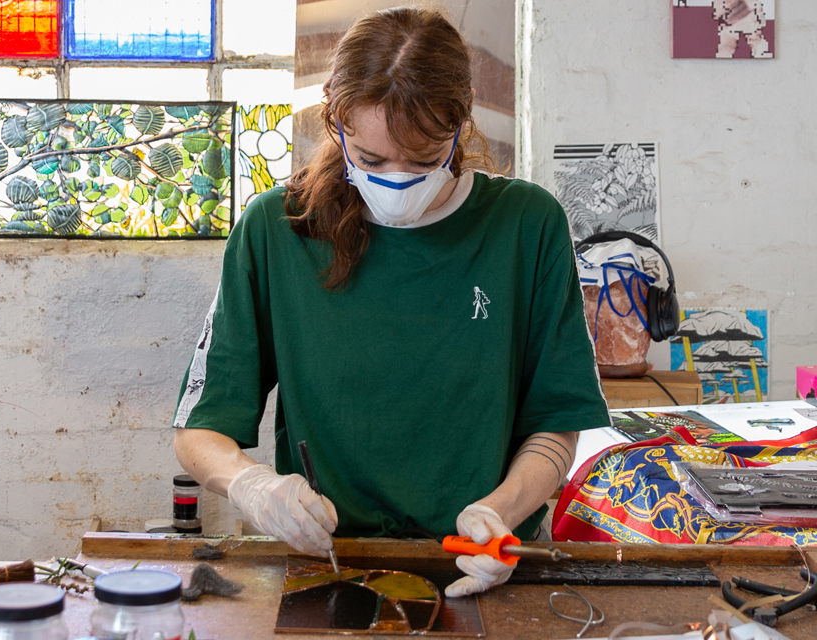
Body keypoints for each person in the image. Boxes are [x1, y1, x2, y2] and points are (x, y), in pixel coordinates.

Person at [172, 6, 609, 598]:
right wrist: (253, 486)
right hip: (329, 563)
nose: (397, 182)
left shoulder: (526, 226)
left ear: (461, 122)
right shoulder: (278, 229)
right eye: (372, 160)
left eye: (425, 160)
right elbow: (200, 431)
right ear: (335, 115)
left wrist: (501, 512)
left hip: (482, 563)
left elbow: (557, 422)